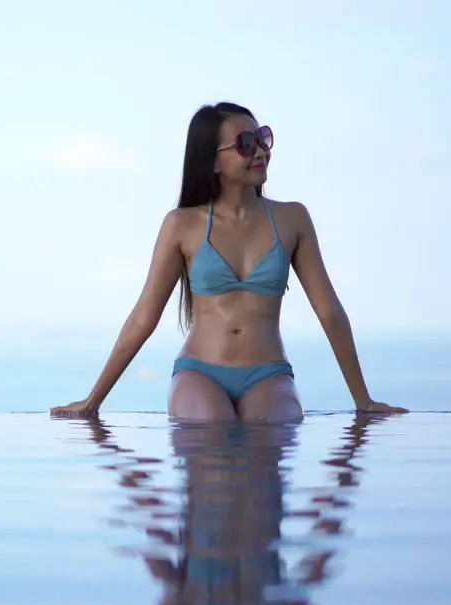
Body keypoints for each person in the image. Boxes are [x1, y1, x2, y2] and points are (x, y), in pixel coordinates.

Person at [50, 102, 406, 422]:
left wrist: (364, 401)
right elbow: (144, 316)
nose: (261, 151)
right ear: (213, 161)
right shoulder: (182, 225)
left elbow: (328, 310)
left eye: (262, 138)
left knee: (273, 429)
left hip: (269, 373)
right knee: (211, 430)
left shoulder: (292, 219)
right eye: (245, 143)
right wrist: (92, 401)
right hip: (200, 372)